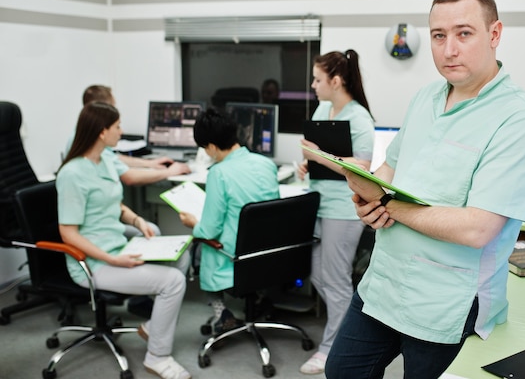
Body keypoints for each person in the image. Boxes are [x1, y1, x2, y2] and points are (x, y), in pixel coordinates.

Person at [324, 0, 525, 378]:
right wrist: (365, 196)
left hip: (448, 301)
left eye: (464, 33)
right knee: (342, 371)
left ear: (494, 34)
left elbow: (478, 229)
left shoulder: (518, 119)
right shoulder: (426, 97)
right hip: (384, 282)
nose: (449, 49)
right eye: (438, 36)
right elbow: (389, 171)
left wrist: (387, 204)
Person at [56, 102, 192, 379]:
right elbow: (68, 233)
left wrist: (137, 221)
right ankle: (158, 356)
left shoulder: (103, 159)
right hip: (94, 263)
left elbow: (113, 204)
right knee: (173, 282)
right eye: (117, 127)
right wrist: (112, 259)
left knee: (182, 256)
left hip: (117, 244)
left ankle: (154, 327)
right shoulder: (72, 174)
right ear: (102, 132)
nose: (122, 131)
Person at [297, 49, 375, 375]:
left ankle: (331, 348)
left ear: (336, 80)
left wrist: (319, 157)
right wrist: (306, 163)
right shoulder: (323, 108)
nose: (313, 85)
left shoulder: (359, 118)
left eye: (318, 79)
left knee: (337, 281)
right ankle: (351, 328)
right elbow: (314, 152)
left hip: (343, 208)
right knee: (318, 274)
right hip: (318, 200)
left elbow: (364, 167)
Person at [178, 107, 280, 333]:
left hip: (236, 257)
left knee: (200, 248)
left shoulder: (219, 173)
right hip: (270, 255)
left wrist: (193, 223)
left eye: (205, 148)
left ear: (212, 147)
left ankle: (221, 311)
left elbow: (210, 230)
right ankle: (260, 299)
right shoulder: (266, 164)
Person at [66, 85, 191, 185]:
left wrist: (149, 163)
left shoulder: (85, 134)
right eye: (112, 107)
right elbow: (129, 177)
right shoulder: (89, 142)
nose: (121, 132)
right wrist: (170, 172)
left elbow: (113, 158)